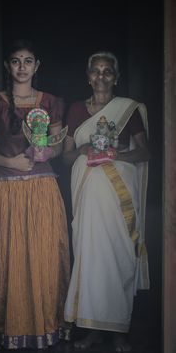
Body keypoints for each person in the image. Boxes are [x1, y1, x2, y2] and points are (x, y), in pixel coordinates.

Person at [0, 39, 71, 351]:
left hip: (41, 188)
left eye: (28, 61)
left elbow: (60, 143)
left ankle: (40, 324)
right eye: (16, 61)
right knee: (0, 257)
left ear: (37, 66)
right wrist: (8, 162)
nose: (22, 67)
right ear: (8, 66)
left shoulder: (50, 103)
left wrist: (47, 150)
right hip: (1, 188)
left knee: (41, 255)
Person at [62, 51, 150, 352]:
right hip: (88, 196)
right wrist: (86, 149)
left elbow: (144, 152)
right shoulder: (75, 110)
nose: (101, 76)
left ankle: (118, 333)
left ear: (116, 77)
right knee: (91, 257)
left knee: (118, 256)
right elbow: (67, 154)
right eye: (96, 71)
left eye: (107, 71)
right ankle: (91, 331)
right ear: (88, 77)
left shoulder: (128, 110)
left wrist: (117, 155)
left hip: (118, 196)